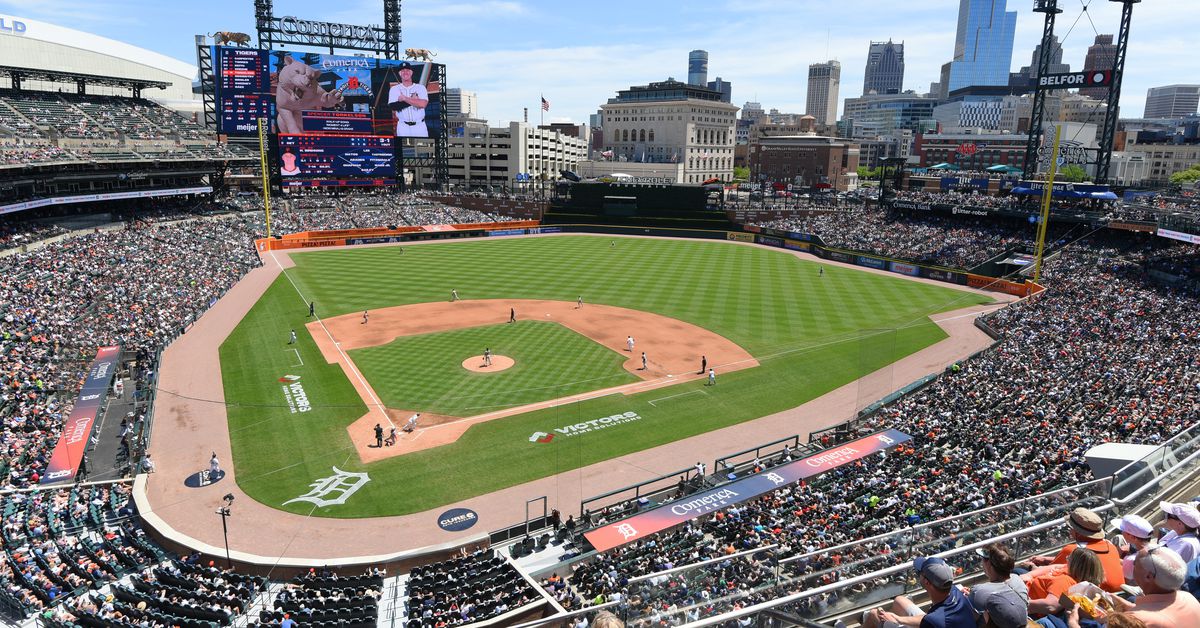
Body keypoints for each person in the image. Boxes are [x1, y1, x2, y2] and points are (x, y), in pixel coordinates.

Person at [1023, 507, 1125, 593]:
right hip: (1118, 594)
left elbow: (1051, 575)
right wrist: (1045, 559)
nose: (1069, 530)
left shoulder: (1072, 550)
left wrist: (1032, 567)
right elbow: (1084, 562)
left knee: (1020, 570)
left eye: (1070, 527)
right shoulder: (1111, 546)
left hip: (1092, 598)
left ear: (1078, 532)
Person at [862, 556, 976, 628]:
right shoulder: (956, 591)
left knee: (874, 615)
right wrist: (898, 619)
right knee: (899, 600)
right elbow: (928, 619)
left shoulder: (935, 620)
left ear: (926, 582)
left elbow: (931, 620)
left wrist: (892, 621)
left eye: (919, 573)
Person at [1106, 545, 1200, 627]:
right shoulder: (1189, 597)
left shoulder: (1137, 620)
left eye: (1135, 563)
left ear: (1148, 576)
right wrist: (1131, 607)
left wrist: (1111, 617)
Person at [1026, 547, 1104, 619]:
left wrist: (1022, 603)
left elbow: (1050, 606)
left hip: (1030, 608)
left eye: (1069, 558)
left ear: (1075, 565)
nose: (1066, 558)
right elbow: (1056, 567)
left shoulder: (1065, 581)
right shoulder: (1075, 574)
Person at [970, 543, 1029, 624]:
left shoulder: (979, 590)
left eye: (983, 559)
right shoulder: (1017, 578)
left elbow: (970, 616)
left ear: (989, 564)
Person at [387, 62, 429, 137]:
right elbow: (393, 106)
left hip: (419, 126)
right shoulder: (394, 89)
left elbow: (423, 104)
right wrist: (414, 100)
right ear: (399, 73)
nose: (405, 72)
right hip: (403, 127)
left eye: (407, 70)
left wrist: (404, 98)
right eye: (402, 71)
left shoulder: (420, 87)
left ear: (411, 72)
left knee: (422, 144)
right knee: (403, 145)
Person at [1112, 514, 1156, 581]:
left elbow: (1124, 577)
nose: (1122, 533)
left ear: (1132, 537)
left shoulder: (1132, 560)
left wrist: (1112, 557)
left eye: (1122, 531)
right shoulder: (1160, 547)